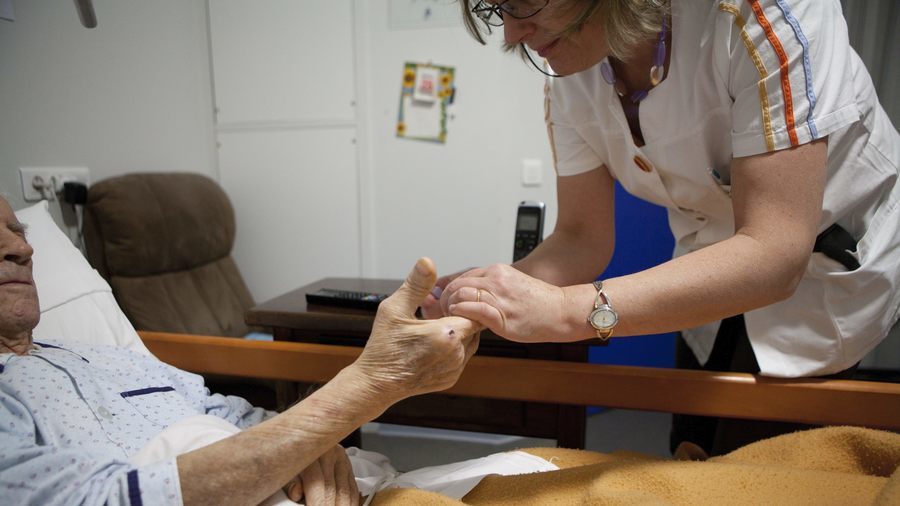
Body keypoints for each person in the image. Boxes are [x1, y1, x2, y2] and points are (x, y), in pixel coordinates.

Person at [421, 0, 900, 455]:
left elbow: (775, 253)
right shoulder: (569, 74)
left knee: (772, 459)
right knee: (692, 441)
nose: (511, 32)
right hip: (712, 253)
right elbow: (581, 239)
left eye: (524, 2)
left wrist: (567, 311)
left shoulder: (763, 16)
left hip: (829, 262)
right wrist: (490, 291)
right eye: (496, 8)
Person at [0, 196, 481, 506]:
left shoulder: (107, 356)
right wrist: (370, 385)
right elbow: (98, 500)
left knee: (511, 478)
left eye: (18, 230)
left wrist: (312, 444)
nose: (21, 249)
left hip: (318, 490)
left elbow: (239, 419)